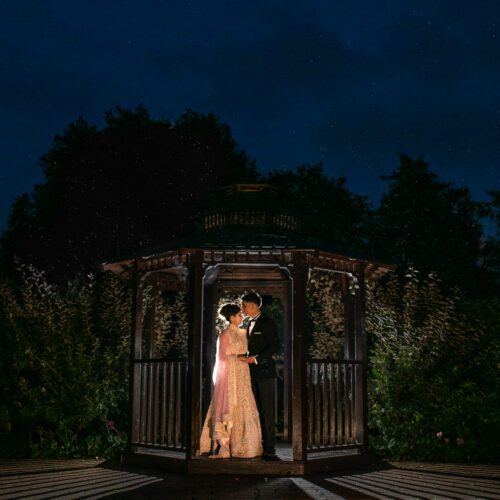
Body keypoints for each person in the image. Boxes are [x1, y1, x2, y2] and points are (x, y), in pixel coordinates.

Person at [200, 303, 263, 458]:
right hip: (231, 375)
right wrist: (239, 358)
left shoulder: (243, 333)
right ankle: (225, 447)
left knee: (245, 404)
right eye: (239, 315)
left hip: (243, 373)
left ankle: (246, 446)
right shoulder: (224, 334)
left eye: (241, 314)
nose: (241, 317)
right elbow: (221, 358)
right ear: (232, 317)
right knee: (229, 406)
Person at [239, 292, 281, 461]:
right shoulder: (248, 323)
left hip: (265, 374)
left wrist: (256, 359)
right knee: (254, 411)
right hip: (250, 374)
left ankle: (270, 449)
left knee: (267, 411)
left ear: (253, 306)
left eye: (244, 305)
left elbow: (276, 346)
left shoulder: (267, 322)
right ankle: (257, 445)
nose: (242, 309)